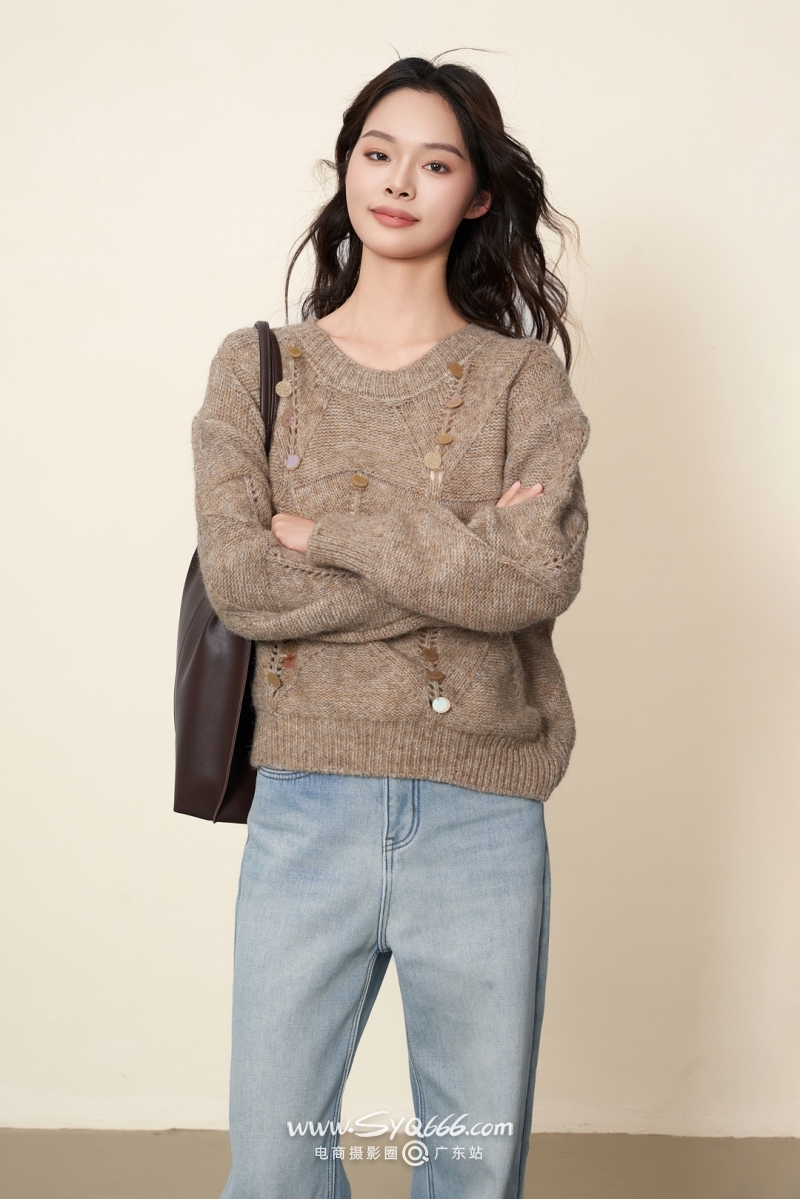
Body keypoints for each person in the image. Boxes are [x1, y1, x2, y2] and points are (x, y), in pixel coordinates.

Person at [192, 54, 591, 1199]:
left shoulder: (520, 381)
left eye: (435, 162)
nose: (398, 181)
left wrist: (323, 532)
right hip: (305, 803)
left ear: (477, 193)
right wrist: (460, 548)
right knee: (273, 1169)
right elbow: (242, 584)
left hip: (483, 811)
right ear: (346, 166)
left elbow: (537, 576)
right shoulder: (260, 368)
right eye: (377, 152)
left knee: (472, 1168)